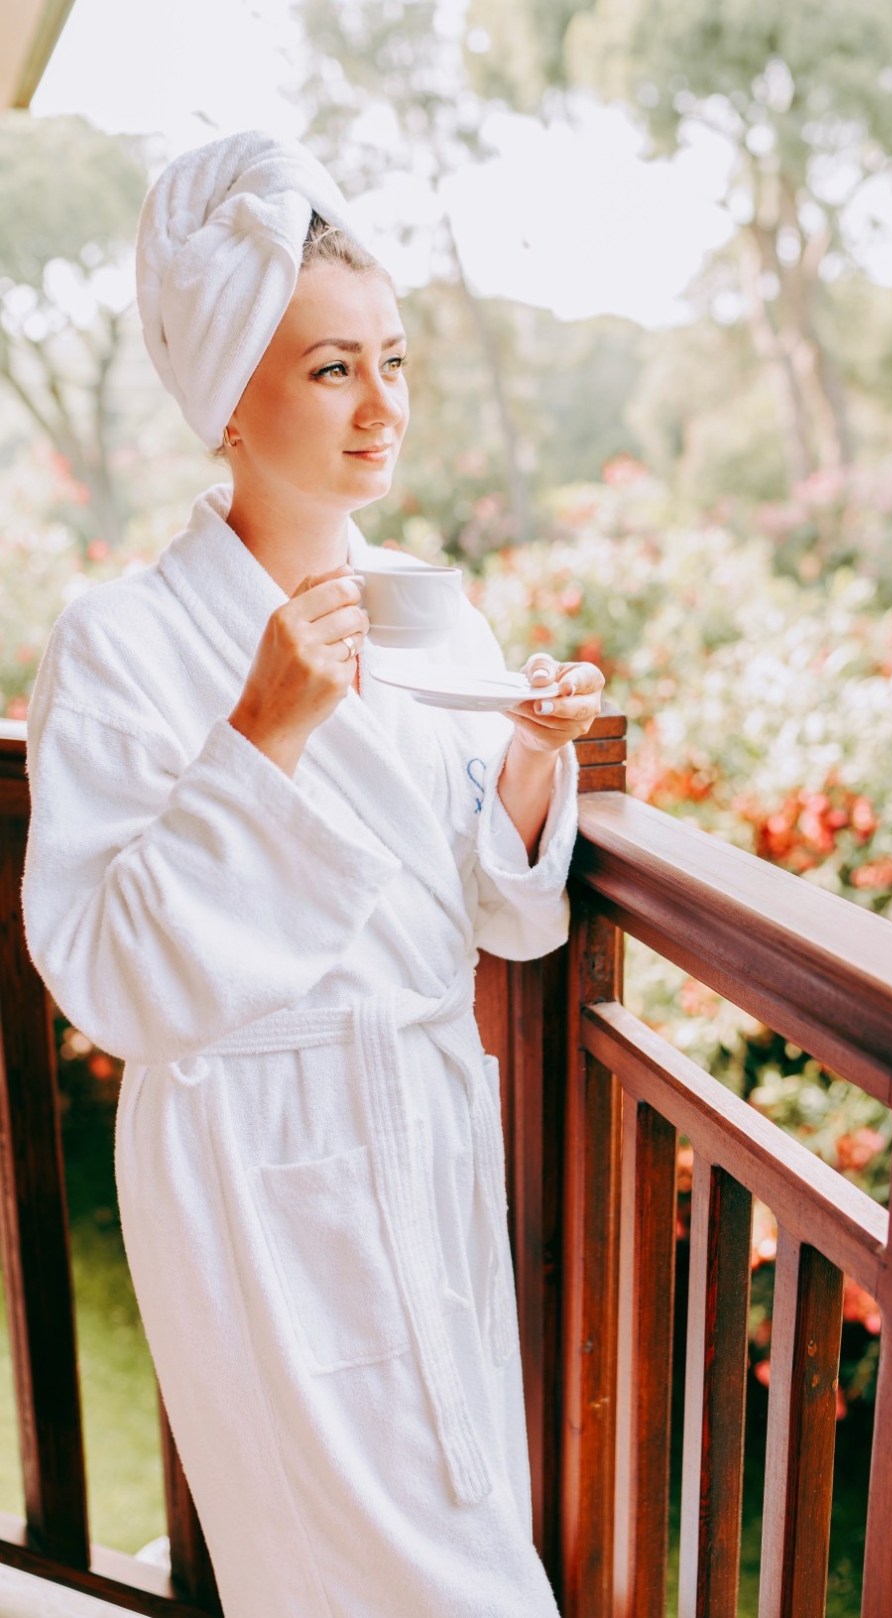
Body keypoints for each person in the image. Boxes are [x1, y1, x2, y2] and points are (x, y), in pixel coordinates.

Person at [20, 131, 603, 1618]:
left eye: (393, 360)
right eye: (332, 368)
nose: (381, 404)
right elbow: (104, 968)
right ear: (228, 397)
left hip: (420, 1133)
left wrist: (532, 763)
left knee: (465, 1529)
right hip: (245, 1173)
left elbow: (496, 914)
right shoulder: (125, 642)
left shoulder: (429, 622)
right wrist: (259, 734)